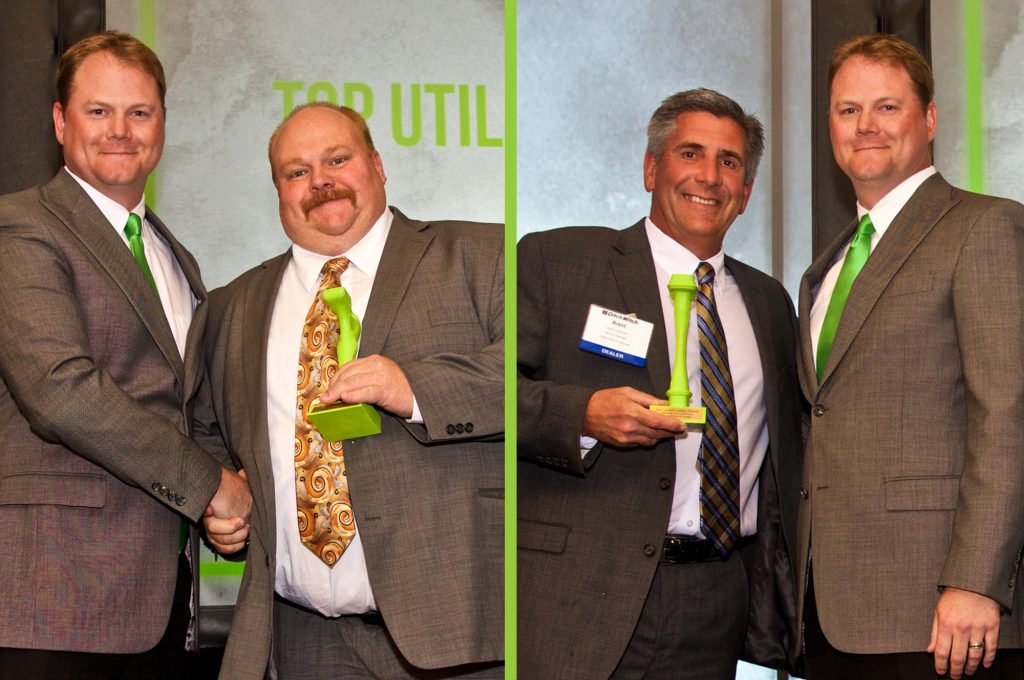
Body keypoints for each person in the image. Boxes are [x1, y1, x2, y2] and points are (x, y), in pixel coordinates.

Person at [202, 102, 503, 679]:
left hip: (460, 635)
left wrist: (415, 388)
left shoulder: (481, 255)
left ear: (378, 165)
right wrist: (218, 505)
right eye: (297, 171)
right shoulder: (232, 305)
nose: (320, 180)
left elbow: (532, 382)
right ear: (279, 191)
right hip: (301, 642)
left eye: (337, 159)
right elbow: (207, 430)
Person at [517, 88, 802, 680]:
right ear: (651, 169)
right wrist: (582, 414)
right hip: (579, 592)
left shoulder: (770, 302)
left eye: (729, 162)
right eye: (690, 153)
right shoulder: (559, 261)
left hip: (716, 598)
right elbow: (484, 392)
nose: (710, 176)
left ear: (746, 192)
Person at [0, 31, 250, 678]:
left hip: (159, 605)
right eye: (98, 111)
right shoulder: (20, 227)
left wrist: (225, 509)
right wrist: (210, 486)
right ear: (61, 122)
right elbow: (59, 390)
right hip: (54, 600)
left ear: (162, 124)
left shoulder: (174, 256)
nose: (120, 130)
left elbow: (186, 409)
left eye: (139, 112)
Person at [797, 33, 1024, 680]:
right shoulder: (826, 268)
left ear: (929, 118)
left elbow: (1008, 414)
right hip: (832, 611)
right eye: (847, 110)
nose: (865, 126)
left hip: (943, 615)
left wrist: (976, 581)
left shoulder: (984, 227)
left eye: (887, 107)